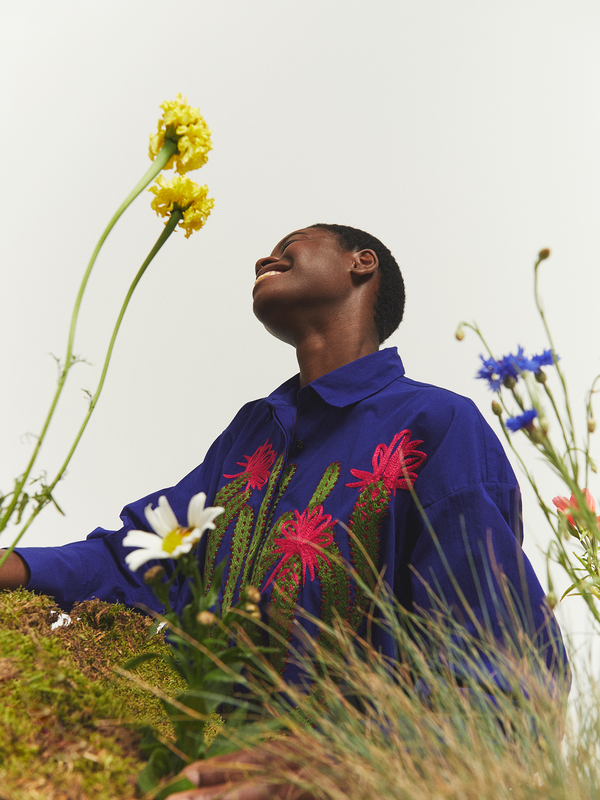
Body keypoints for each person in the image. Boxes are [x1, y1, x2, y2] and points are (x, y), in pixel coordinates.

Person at [1, 224, 567, 800]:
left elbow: (500, 664)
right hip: (189, 751)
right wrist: (16, 564)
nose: (264, 257)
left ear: (361, 263)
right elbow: (144, 553)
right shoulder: (251, 436)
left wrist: (343, 762)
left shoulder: (436, 424)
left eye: (291, 243)